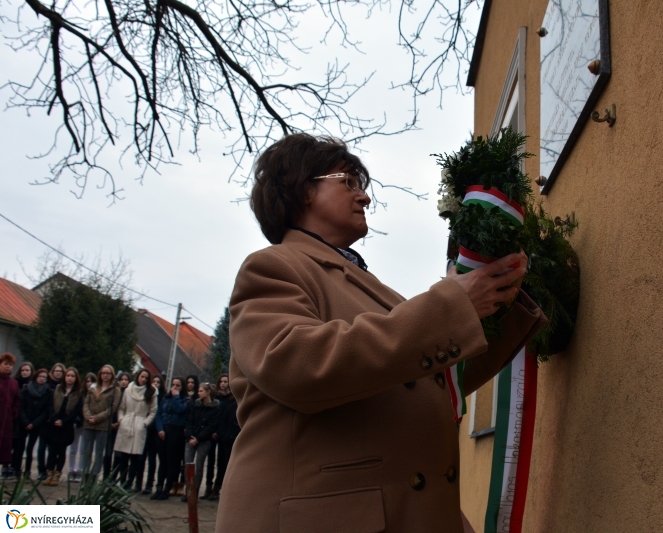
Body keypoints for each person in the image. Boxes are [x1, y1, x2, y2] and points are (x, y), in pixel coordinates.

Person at [215, 134, 547, 532]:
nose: (365, 197)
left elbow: (436, 381)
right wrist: (451, 306)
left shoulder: (364, 284)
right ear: (304, 189)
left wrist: (503, 296)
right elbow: (296, 364)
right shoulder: (273, 266)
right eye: (349, 182)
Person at [112, 369, 157, 488]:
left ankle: (129, 483)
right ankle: (122, 482)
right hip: (127, 422)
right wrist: (121, 420)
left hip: (139, 423)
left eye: (146, 378)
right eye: (142, 376)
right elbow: (121, 407)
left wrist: (145, 423)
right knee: (123, 457)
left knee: (135, 458)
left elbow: (153, 411)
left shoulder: (152, 392)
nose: (143, 379)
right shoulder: (128, 389)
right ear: (138, 376)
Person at [41, 367, 82, 486]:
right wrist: (54, 419)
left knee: (61, 451)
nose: (69, 378)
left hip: (66, 426)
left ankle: (57, 474)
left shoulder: (77, 393)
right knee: (52, 450)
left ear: (76, 378)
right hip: (54, 424)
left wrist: (64, 421)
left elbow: (76, 411)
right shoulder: (57, 389)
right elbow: (50, 405)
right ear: (65, 377)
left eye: (72, 376)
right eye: (68, 375)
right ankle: (50, 473)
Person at [151, 377, 188, 500]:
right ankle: (159, 488)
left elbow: (180, 410)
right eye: (173, 385)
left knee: (172, 462)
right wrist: (160, 429)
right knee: (163, 461)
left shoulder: (185, 399)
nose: (175, 387)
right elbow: (159, 415)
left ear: (182, 387)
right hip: (163, 431)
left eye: (178, 385)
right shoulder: (165, 399)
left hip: (176, 431)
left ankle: (168, 489)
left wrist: (176, 396)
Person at [81, 365, 121, 478]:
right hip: (88, 424)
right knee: (86, 451)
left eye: (108, 373)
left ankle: (94, 475)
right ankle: (85, 474)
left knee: (99, 452)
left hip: (102, 426)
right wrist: (88, 416)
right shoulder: (93, 387)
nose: (105, 375)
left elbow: (112, 408)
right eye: (103, 373)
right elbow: (86, 404)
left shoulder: (115, 390)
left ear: (112, 375)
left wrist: (97, 418)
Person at [182, 382, 219, 502]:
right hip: (191, 438)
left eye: (201, 391)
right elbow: (189, 421)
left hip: (203, 441)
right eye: (198, 391)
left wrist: (198, 439)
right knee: (188, 465)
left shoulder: (215, 408)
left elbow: (211, 426)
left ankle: (194, 492)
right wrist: (189, 437)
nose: (199, 393)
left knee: (198, 466)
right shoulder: (195, 405)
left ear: (208, 392)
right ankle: (187, 490)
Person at [15, 368, 52, 480]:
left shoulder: (48, 392)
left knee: (30, 449)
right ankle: (17, 470)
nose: (42, 379)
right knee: (19, 448)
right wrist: (26, 421)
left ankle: (28, 472)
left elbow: (46, 411)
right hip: (24, 422)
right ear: (35, 377)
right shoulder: (26, 389)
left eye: (44, 377)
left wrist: (34, 423)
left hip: (37, 424)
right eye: (40, 376)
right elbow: (20, 406)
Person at [210, 374, 238, 501]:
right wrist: (224, 435)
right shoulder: (223, 403)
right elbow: (221, 421)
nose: (223, 384)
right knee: (220, 465)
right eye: (220, 381)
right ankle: (215, 488)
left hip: (235, 440)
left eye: (225, 381)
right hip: (224, 439)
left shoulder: (234, 404)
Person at [137, 374, 165, 494]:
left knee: (152, 459)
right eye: (153, 381)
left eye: (158, 382)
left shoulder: (163, 397)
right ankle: (138, 483)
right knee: (140, 458)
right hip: (144, 429)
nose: (155, 384)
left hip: (155, 432)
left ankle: (149, 484)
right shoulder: (147, 394)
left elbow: (158, 414)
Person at [67, 372, 95, 482]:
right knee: (73, 448)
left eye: (92, 381)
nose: (89, 383)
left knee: (84, 449)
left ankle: (79, 470)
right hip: (78, 422)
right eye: (88, 381)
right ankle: (71, 469)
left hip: (89, 423)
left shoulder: (96, 394)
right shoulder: (80, 393)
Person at [8, 362, 32, 478]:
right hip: (14, 418)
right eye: (23, 370)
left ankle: (17, 468)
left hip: (26, 419)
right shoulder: (14, 382)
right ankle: (7, 467)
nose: (25, 372)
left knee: (20, 446)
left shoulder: (32, 385)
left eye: (27, 370)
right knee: (11, 443)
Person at [0, 354, 20, 479]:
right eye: (5, 364)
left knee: (4, 447)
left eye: (10, 365)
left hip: (7, 420)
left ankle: (4, 470)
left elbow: (17, 400)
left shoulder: (13, 383)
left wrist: (13, 413)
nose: (8, 367)